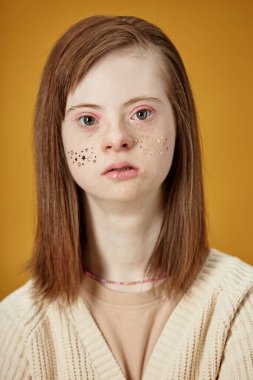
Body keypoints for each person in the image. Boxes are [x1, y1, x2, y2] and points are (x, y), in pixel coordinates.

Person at [0, 15, 252, 380]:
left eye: (141, 113)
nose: (117, 138)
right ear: (57, 139)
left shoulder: (240, 304)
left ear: (179, 125)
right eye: (88, 120)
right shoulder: (17, 328)